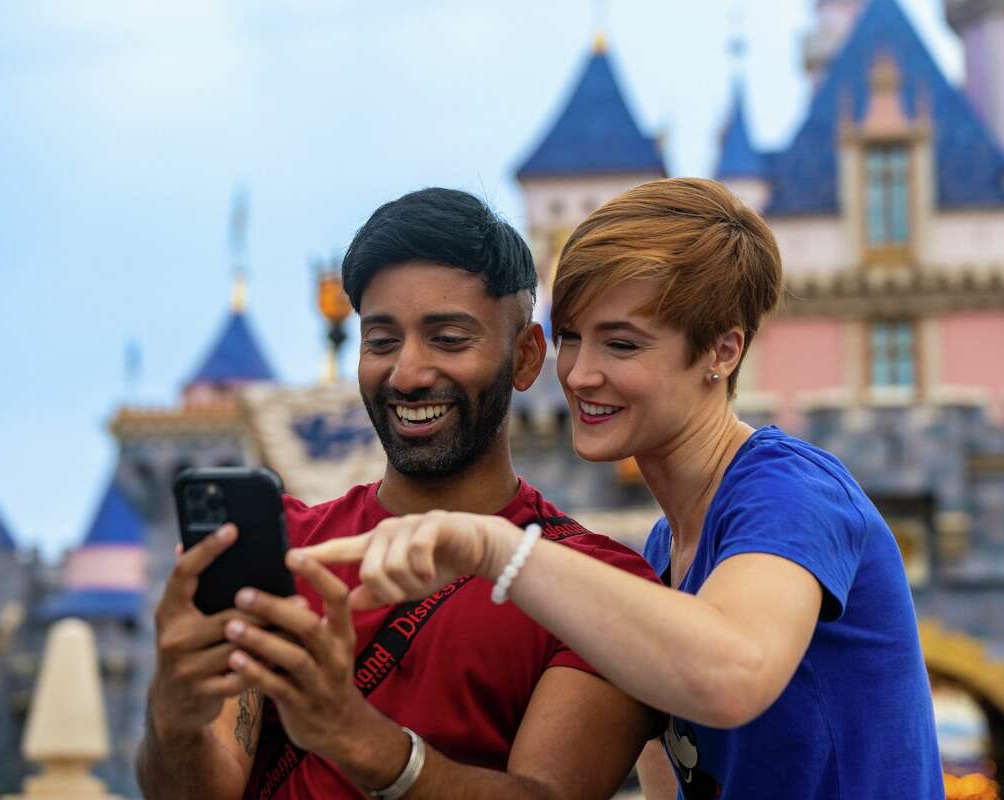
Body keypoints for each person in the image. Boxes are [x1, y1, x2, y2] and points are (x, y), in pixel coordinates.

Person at [299, 178, 946, 799]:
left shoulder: (791, 490)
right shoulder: (663, 553)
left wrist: (494, 548)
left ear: (722, 352)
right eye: (573, 338)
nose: (580, 374)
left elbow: (733, 672)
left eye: (622, 344)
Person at [135, 187, 661, 800]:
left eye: (448, 339)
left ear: (524, 358)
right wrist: (174, 715)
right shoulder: (286, 546)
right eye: (381, 341)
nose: (407, 375)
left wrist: (353, 735)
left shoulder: (600, 584)